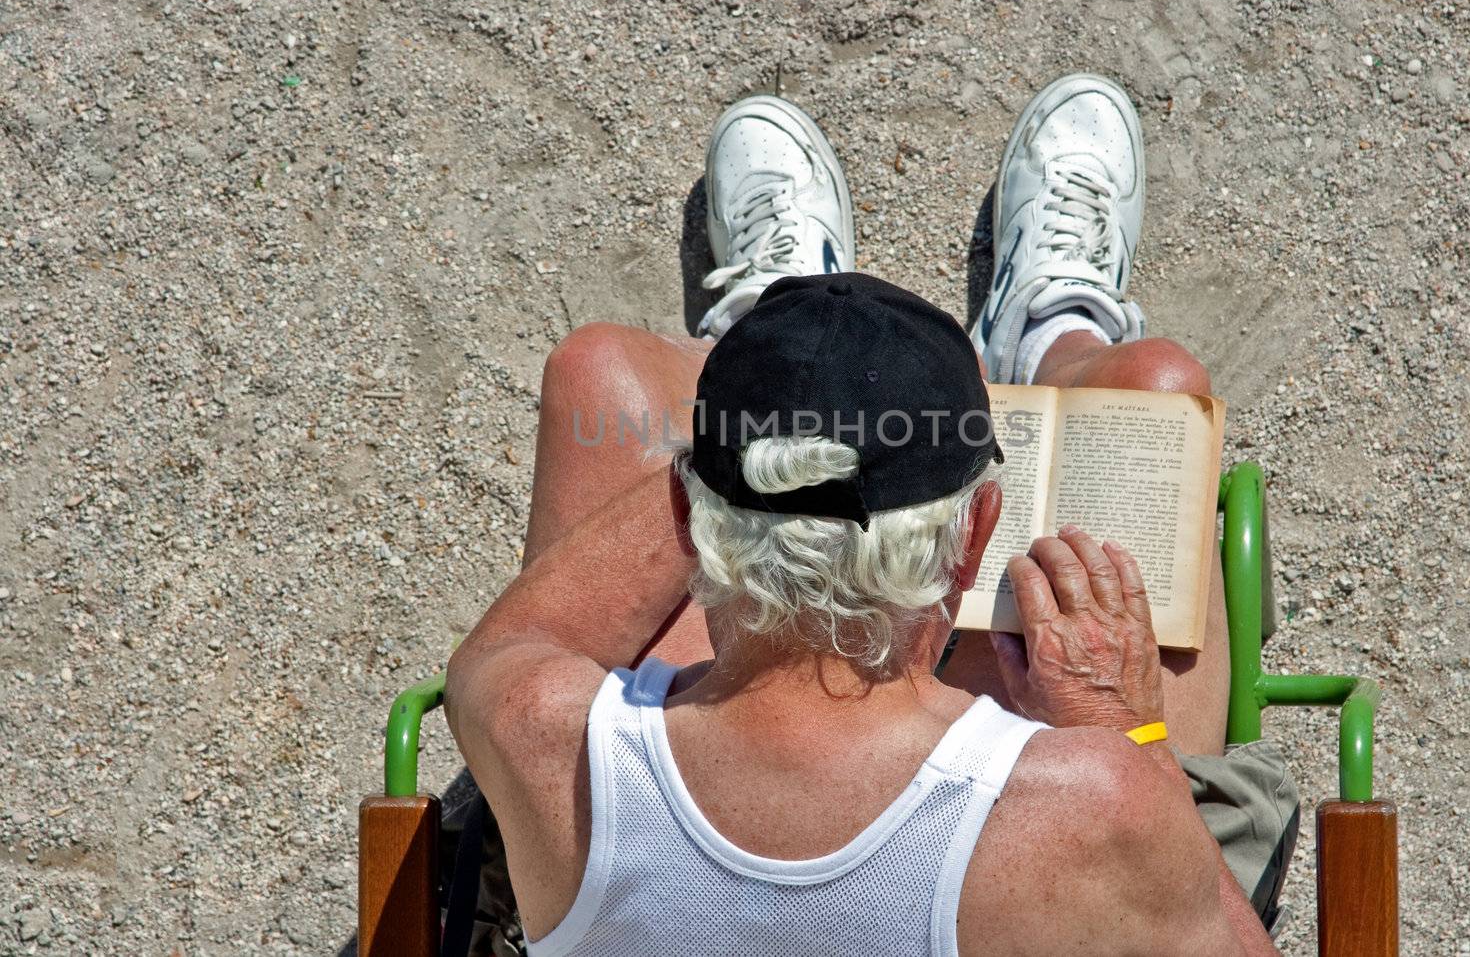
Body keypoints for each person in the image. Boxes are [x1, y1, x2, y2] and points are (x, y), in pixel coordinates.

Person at [445, 74, 1298, 956]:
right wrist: (1129, 731)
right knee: (1154, 388)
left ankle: (776, 309)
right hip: (1029, 869)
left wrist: (753, 442)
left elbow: (503, 648)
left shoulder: (542, 728)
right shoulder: (1095, 803)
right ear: (974, 536)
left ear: (697, 514)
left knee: (602, 371)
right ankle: (1055, 331)